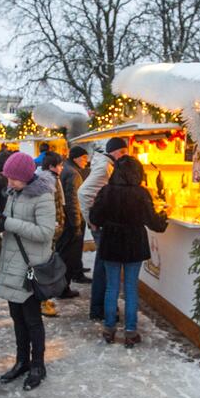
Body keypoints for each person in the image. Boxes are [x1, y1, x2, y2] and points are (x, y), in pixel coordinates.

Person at [0, 151, 56, 391]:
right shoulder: (13, 193)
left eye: (13, 179)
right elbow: (12, 223)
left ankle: (38, 365)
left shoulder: (43, 197)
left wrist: (8, 223)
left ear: (27, 177)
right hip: (12, 263)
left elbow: (45, 233)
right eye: (8, 178)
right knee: (17, 318)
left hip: (30, 267)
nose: (9, 182)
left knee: (32, 320)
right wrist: (0, 225)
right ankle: (22, 361)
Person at [89, 156, 168, 348]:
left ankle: (109, 329)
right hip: (134, 244)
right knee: (131, 288)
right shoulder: (141, 193)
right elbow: (154, 222)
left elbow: (95, 218)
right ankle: (130, 332)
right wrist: (163, 217)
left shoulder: (106, 191)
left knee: (112, 287)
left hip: (111, 244)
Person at [77, 137, 129, 320]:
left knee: (102, 266)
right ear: (113, 151)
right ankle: (102, 309)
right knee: (106, 268)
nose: (124, 156)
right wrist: (91, 220)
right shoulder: (104, 167)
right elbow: (83, 193)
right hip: (101, 227)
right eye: (122, 152)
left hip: (101, 225)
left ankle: (99, 308)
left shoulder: (107, 165)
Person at [57, 146, 90, 294]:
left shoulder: (66, 168)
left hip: (65, 219)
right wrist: (77, 224)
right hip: (72, 221)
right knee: (70, 255)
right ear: (76, 158)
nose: (86, 161)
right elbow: (73, 201)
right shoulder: (74, 174)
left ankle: (68, 280)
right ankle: (64, 288)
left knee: (65, 254)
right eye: (84, 157)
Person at [37, 151, 65, 317]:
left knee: (47, 264)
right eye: (60, 165)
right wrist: (57, 227)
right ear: (51, 167)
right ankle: (42, 301)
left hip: (52, 228)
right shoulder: (49, 181)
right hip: (50, 229)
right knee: (46, 266)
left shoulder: (48, 179)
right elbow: (54, 206)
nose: (62, 168)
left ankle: (44, 299)